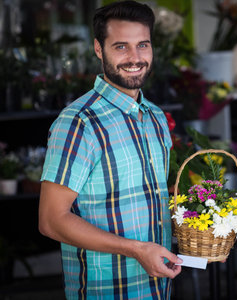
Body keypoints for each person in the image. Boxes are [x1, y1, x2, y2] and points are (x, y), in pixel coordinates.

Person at [38, 1, 182, 299]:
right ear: (98, 49)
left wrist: (206, 232)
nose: (135, 57)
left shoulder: (155, 117)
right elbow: (52, 220)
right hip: (106, 291)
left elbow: (152, 201)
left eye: (143, 45)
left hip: (158, 287)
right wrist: (137, 250)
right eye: (121, 47)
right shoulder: (79, 123)